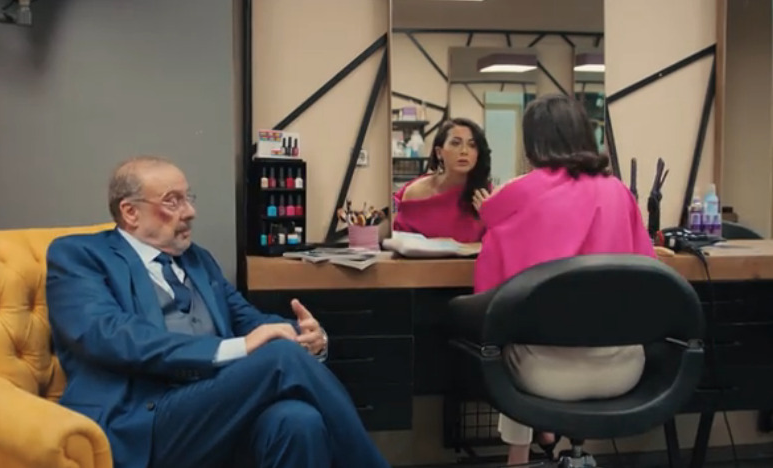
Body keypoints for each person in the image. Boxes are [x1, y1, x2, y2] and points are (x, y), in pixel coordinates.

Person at [45, 156, 391, 468]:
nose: (189, 212)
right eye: (172, 201)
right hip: (141, 421)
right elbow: (110, 335)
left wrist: (308, 337)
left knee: (298, 421)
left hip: (213, 409)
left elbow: (249, 321)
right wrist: (236, 348)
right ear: (130, 212)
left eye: (188, 198)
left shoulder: (198, 260)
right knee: (281, 358)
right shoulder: (80, 255)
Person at [474, 94, 654, 465]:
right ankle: (542, 435)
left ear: (531, 144)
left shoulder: (516, 199)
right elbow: (649, 279)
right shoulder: (619, 192)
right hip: (626, 369)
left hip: (544, 375)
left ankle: (520, 453)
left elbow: (490, 299)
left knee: (503, 338)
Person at [393, 117, 492, 243]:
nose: (464, 151)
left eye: (472, 145)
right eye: (455, 143)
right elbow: (399, 240)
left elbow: (500, 243)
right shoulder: (416, 192)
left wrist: (490, 218)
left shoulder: (486, 195)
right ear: (439, 152)